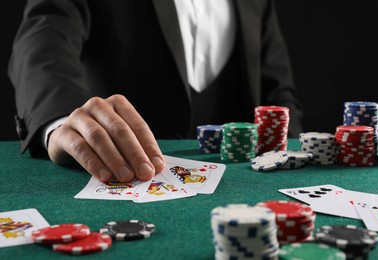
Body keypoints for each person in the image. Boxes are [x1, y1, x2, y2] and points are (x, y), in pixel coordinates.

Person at [9, 0, 303, 183]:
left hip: (242, 191)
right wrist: (64, 122)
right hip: (120, 178)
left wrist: (296, 164)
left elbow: (278, 93)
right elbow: (43, 42)